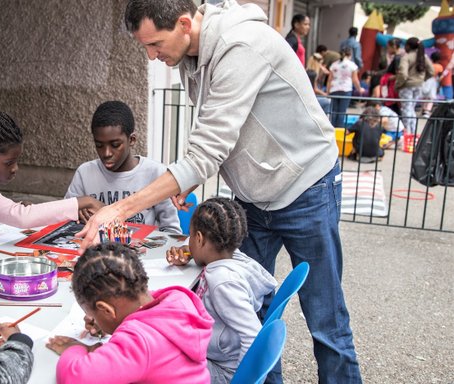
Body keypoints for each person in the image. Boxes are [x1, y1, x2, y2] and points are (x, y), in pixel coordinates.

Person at [79, 1, 363, 383]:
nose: (151, 56)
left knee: (325, 320)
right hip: (253, 196)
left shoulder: (240, 45)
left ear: (184, 24)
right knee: (248, 311)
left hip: (305, 187)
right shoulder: (188, 55)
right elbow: (218, 136)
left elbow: (207, 149)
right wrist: (192, 175)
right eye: (144, 47)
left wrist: (119, 210)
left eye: (154, 44)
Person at [0, 90, 104, 249]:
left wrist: (16, 207)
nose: (15, 169)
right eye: (9, 163)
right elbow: (21, 216)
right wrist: (83, 201)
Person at [46, 243, 213, 383]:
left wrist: (74, 348)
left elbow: (74, 377)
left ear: (106, 310)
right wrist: (105, 320)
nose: (94, 320)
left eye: (95, 315)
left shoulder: (139, 342)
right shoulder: (177, 300)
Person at [165, 198, 277, 384]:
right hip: (218, 355)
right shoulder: (235, 257)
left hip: (222, 370)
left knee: (158, 360)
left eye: (190, 236)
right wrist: (190, 252)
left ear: (199, 239)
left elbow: (253, 336)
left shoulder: (223, 282)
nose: (189, 240)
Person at [65, 101, 181, 233]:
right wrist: (76, 214)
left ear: (131, 140)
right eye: (99, 145)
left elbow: (171, 231)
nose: (106, 153)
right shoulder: (84, 173)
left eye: (115, 145)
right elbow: (63, 222)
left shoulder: (156, 173)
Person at [396, 37, 434, 135]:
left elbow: (403, 74)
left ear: (408, 46)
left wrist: (399, 84)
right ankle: (412, 133)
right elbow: (431, 71)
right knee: (411, 109)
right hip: (419, 86)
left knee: (406, 110)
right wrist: (422, 79)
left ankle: (407, 133)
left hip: (407, 86)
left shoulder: (406, 57)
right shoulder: (423, 56)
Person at [328, 47, 364, 128]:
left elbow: (329, 80)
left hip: (334, 89)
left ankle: (332, 129)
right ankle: (339, 131)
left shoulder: (334, 65)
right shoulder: (352, 65)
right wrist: (359, 89)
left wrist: (327, 92)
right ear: (350, 54)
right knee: (342, 112)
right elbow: (355, 80)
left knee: (333, 112)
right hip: (346, 90)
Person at [421, 51, 444, 117]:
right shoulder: (439, 66)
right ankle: (427, 111)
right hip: (433, 82)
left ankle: (423, 109)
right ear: (439, 59)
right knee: (431, 98)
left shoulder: (428, 65)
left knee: (425, 97)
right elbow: (440, 76)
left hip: (425, 81)